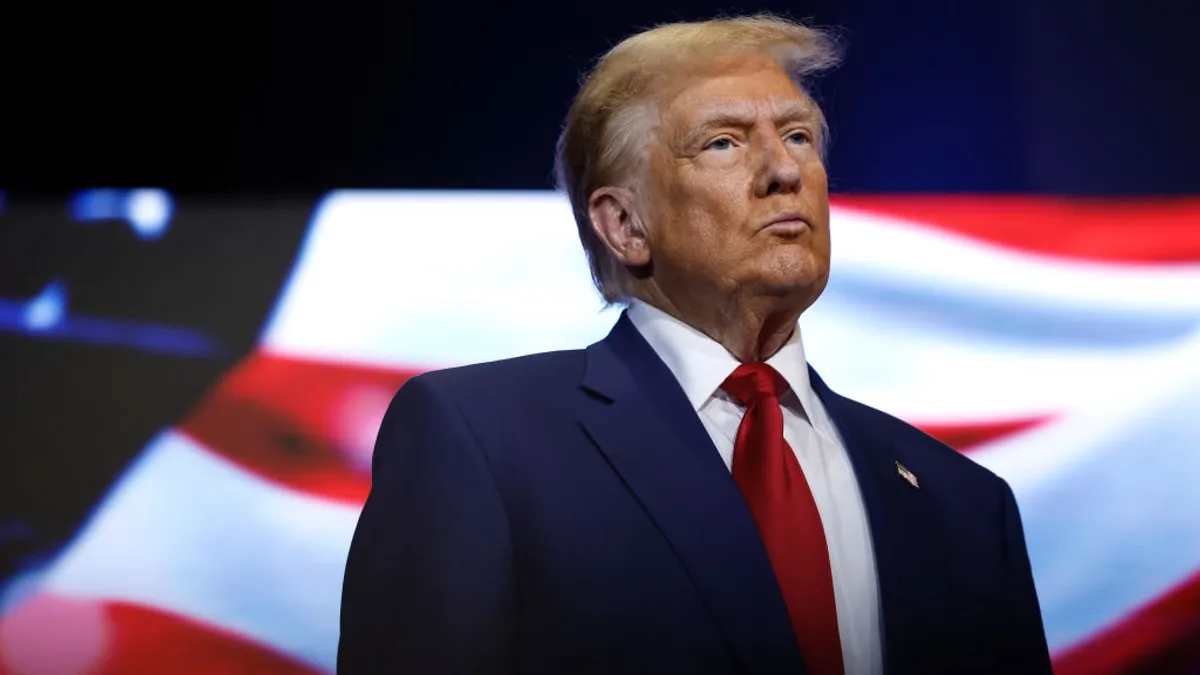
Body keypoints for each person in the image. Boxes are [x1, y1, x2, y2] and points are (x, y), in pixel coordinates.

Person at [337, 13, 1053, 675]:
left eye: (798, 136)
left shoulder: (964, 506)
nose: (784, 171)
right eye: (723, 142)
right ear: (624, 225)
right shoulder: (484, 441)